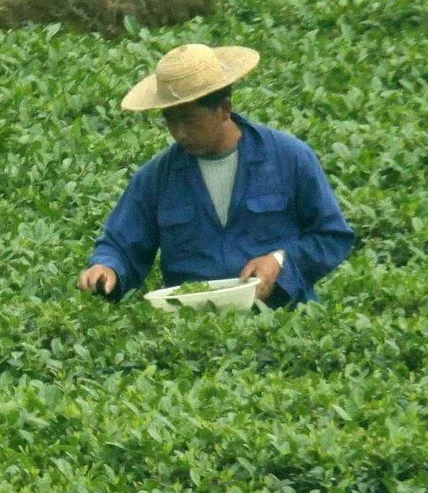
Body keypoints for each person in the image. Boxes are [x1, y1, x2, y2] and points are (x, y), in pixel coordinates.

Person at [78, 44, 355, 307]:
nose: (180, 133)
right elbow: (121, 242)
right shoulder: (157, 177)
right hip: (192, 326)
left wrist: (281, 261)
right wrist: (107, 267)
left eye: (189, 121)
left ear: (224, 109)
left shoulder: (289, 157)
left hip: (281, 317)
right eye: (171, 122)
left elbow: (331, 236)